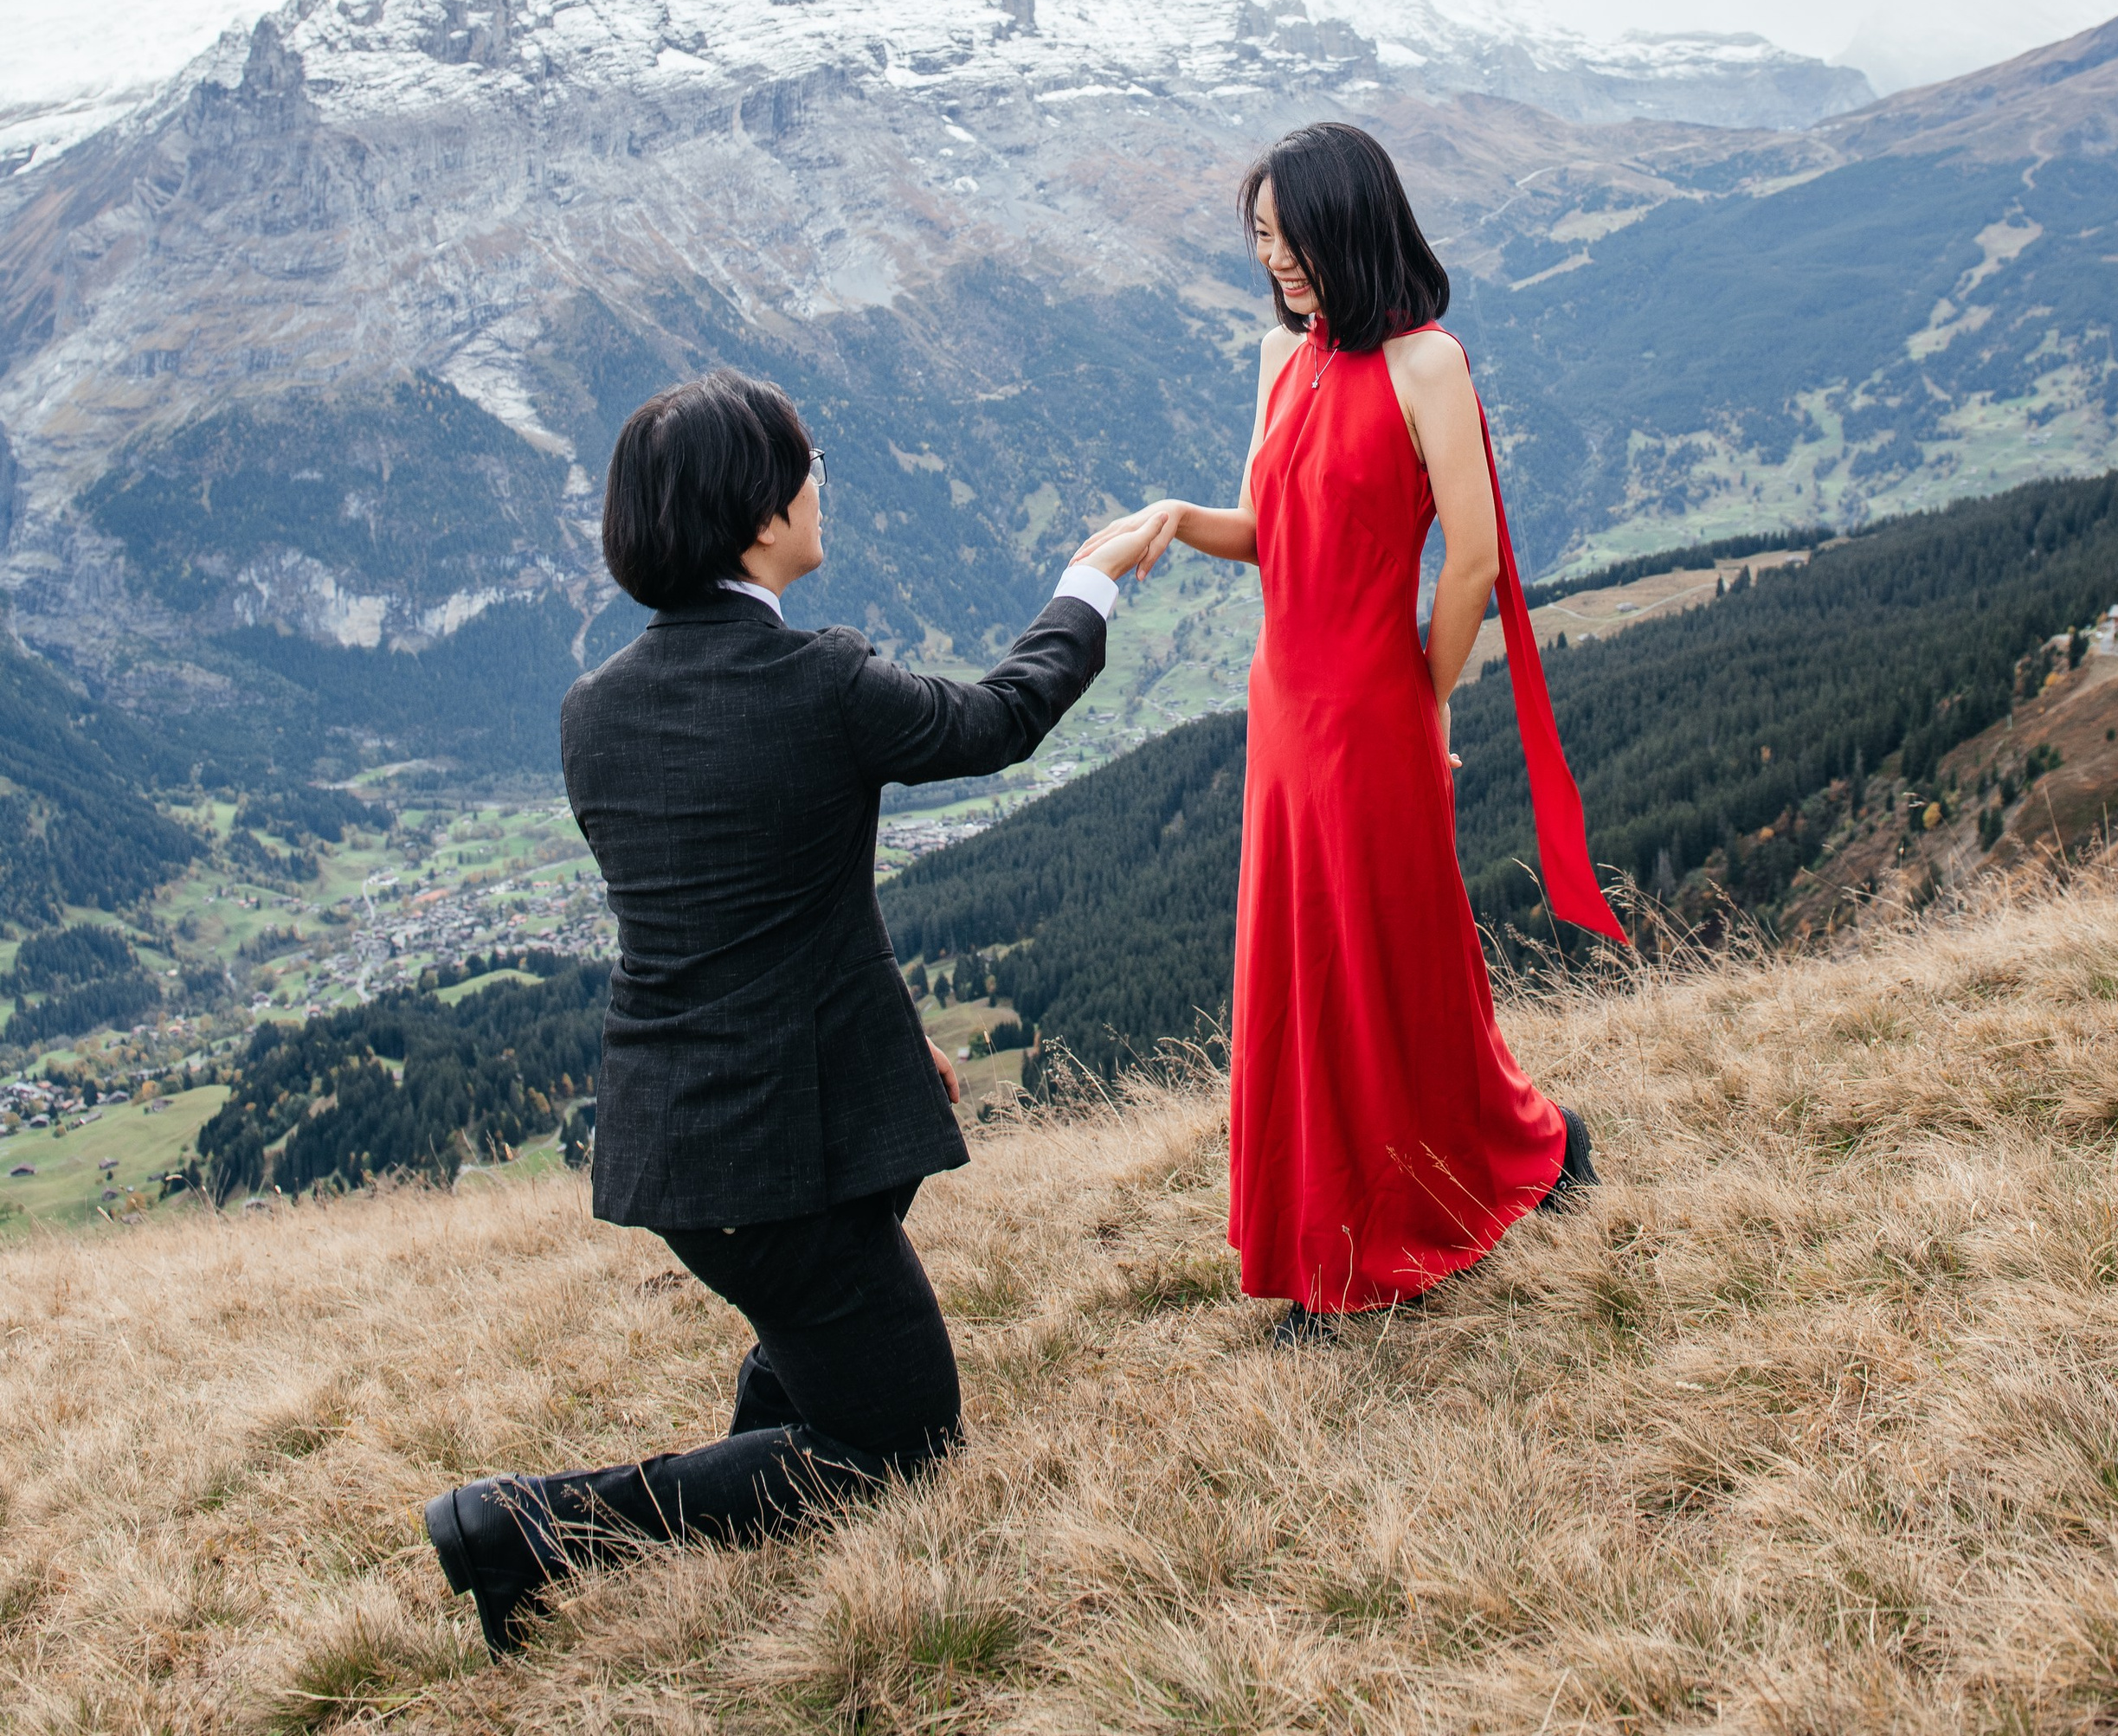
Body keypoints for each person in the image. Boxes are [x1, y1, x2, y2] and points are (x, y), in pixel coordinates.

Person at [423, 368, 1153, 1653]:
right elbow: (999, 720)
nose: (824, 488)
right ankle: (533, 1524)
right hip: (774, 1154)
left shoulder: (594, 712)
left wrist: (885, 1030)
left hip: (686, 1136)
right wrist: (1086, 583)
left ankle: (718, 1483)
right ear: (761, 518)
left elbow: (749, 904)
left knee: (820, 1330)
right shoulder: (814, 679)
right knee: (897, 1444)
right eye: (812, 467)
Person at [1121, 122, 1625, 1341]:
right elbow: (1272, 529)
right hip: (1283, 707)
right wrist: (1184, 516)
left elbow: (1472, 562)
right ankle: (1373, 1207)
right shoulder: (1277, 357)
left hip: (1371, 707)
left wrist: (1426, 695)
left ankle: (1378, 1238)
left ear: (1354, 228)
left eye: (1296, 241)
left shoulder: (1427, 364)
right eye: (1262, 242)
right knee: (1305, 973)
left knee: (1376, 966)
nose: (1279, 264)